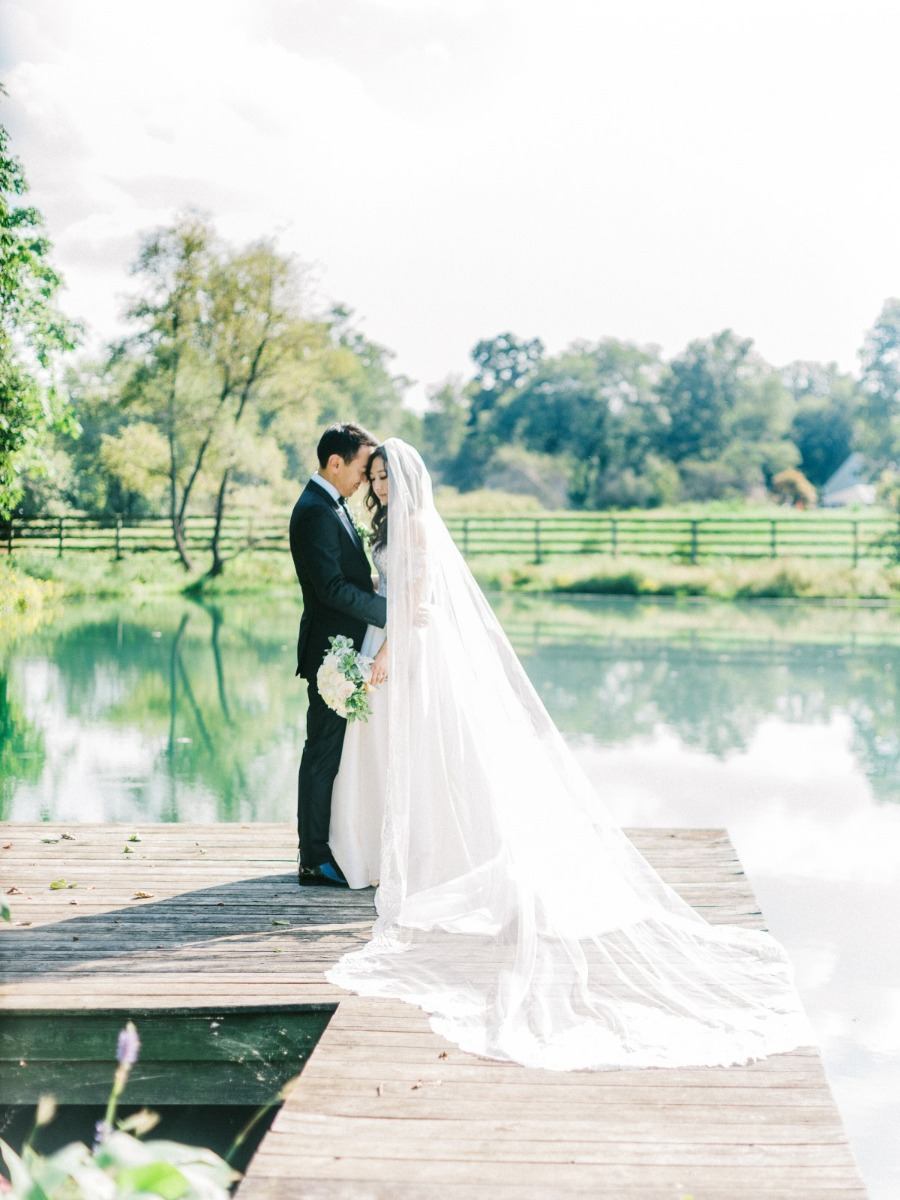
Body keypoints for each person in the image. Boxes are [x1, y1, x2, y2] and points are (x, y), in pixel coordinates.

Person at [325, 438, 813, 1071]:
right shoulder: (386, 522)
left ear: (412, 481)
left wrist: (384, 656)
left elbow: (419, 603)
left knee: (444, 754)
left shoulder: (415, 526)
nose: (383, 486)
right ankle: (423, 852)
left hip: (414, 647)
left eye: (390, 477)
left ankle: (454, 856)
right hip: (400, 645)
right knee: (416, 758)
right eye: (378, 477)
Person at [289, 423, 387, 887]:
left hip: (349, 650)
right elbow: (330, 589)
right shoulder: (315, 511)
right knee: (323, 753)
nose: (366, 478)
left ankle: (335, 844)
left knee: (333, 753)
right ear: (336, 463)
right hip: (333, 653)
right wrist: (395, 612)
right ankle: (313, 858)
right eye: (363, 469)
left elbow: (349, 576)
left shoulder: (331, 505)